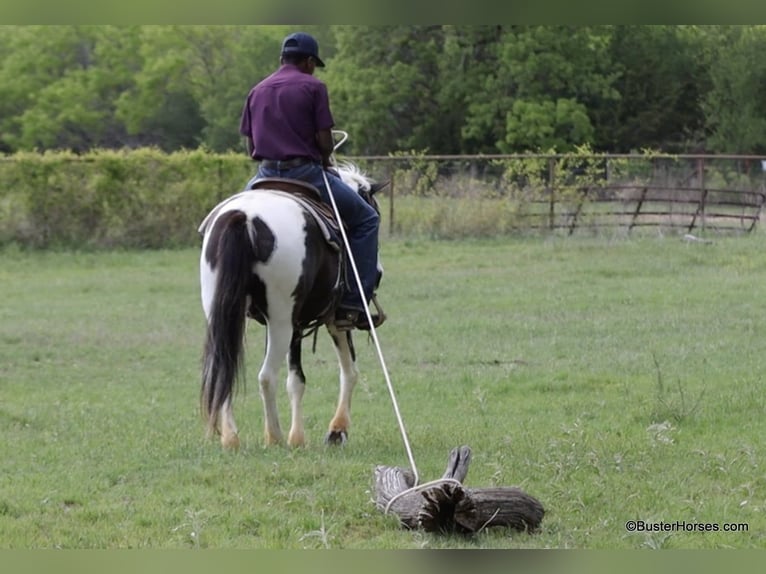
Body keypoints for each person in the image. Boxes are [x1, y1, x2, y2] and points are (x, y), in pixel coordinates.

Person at [239, 31, 382, 330]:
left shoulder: (257, 90)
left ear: (281, 59)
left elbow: (250, 146)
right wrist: (326, 159)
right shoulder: (313, 87)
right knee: (366, 219)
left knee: (232, 222)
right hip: (305, 174)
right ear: (307, 62)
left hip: (264, 174)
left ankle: (239, 295)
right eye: (314, 64)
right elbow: (324, 140)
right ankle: (354, 303)